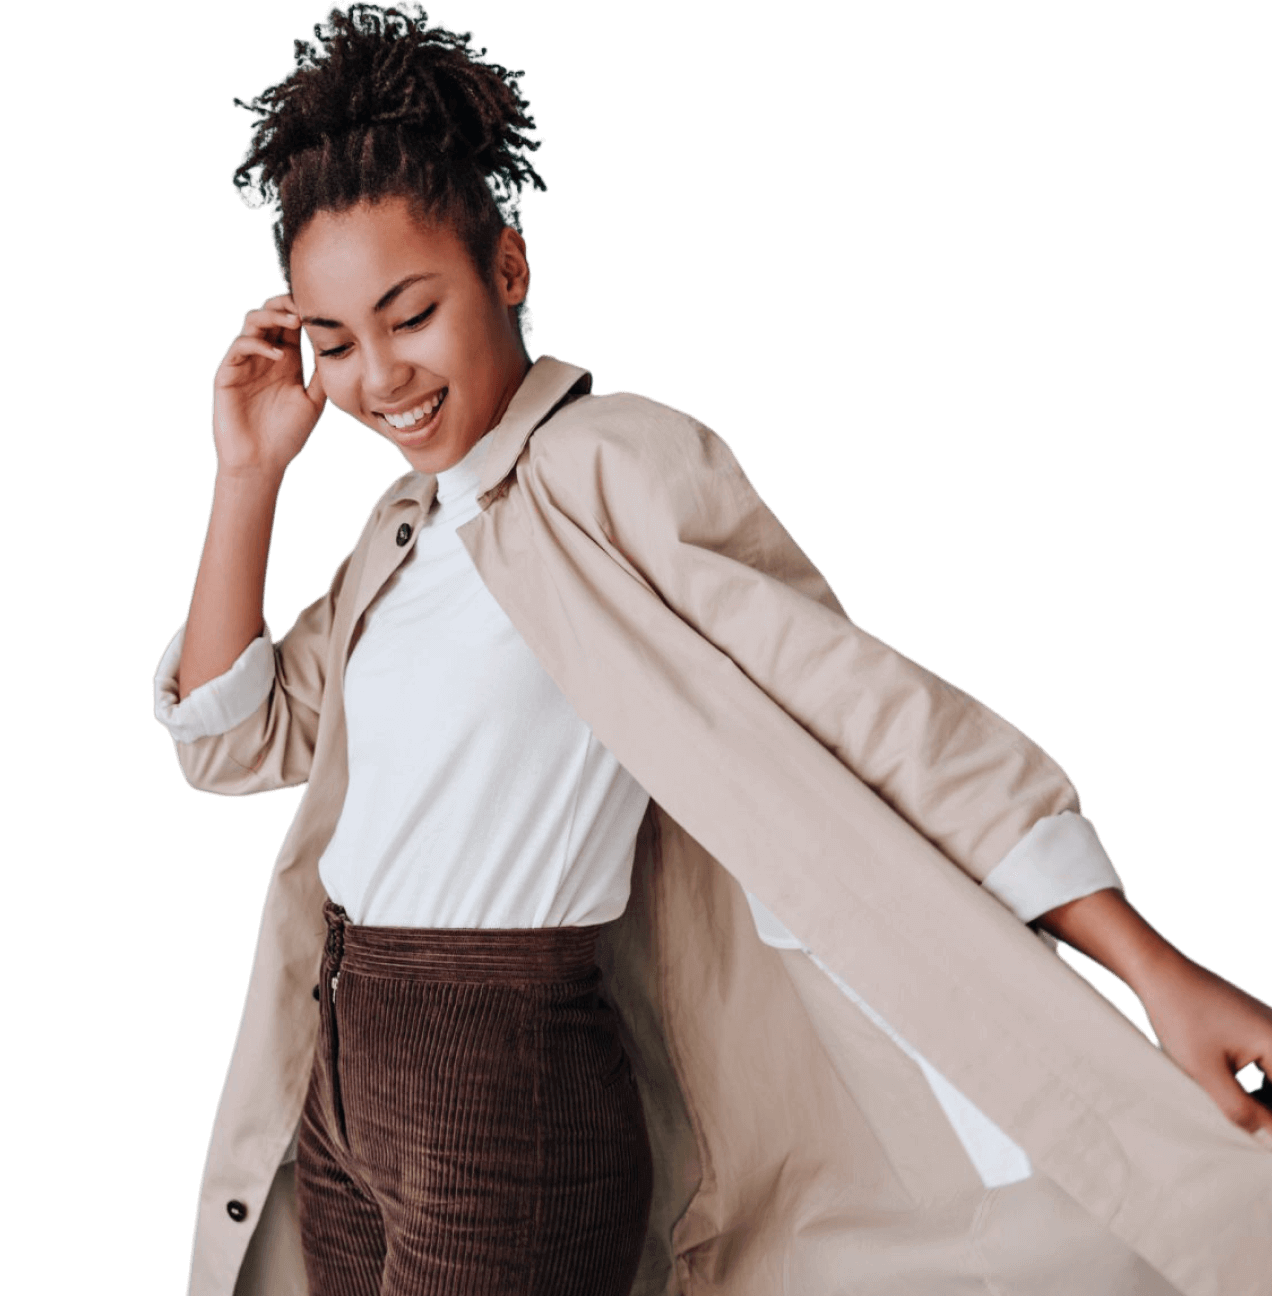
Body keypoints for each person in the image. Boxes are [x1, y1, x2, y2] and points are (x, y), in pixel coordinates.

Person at [154, 5, 1272, 1295]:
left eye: (411, 315)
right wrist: (248, 473)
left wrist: (1150, 967)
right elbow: (233, 741)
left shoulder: (613, 465)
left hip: (501, 1087)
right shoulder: (402, 530)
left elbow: (866, 707)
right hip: (342, 1060)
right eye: (336, 342)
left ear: (507, 268)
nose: (379, 378)